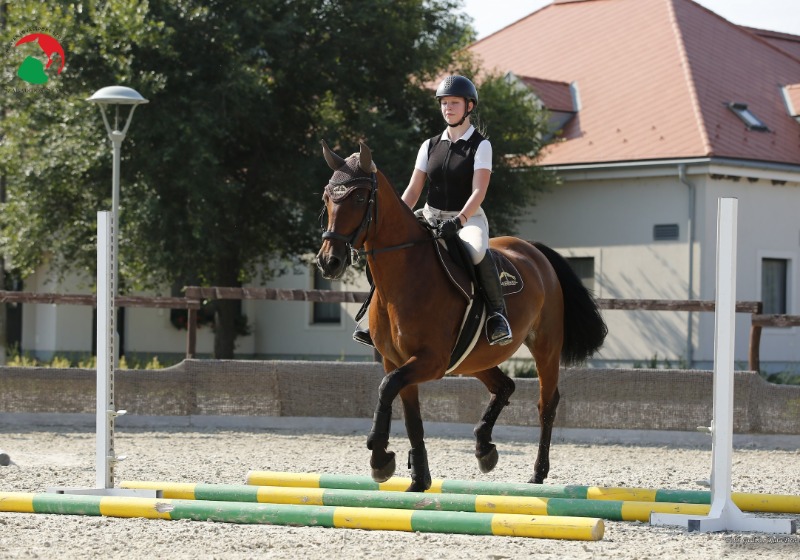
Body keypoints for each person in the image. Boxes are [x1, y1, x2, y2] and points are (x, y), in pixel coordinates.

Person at [354, 75, 513, 347]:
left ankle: (497, 315)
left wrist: (459, 220)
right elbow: (414, 190)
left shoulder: (480, 145)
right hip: (429, 215)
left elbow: (479, 191)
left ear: (469, 106)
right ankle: (374, 315)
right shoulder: (429, 145)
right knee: (387, 248)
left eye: (454, 103)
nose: (448, 108)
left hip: (467, 218)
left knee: (477, 252)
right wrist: (393, 218)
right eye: (444, 103)